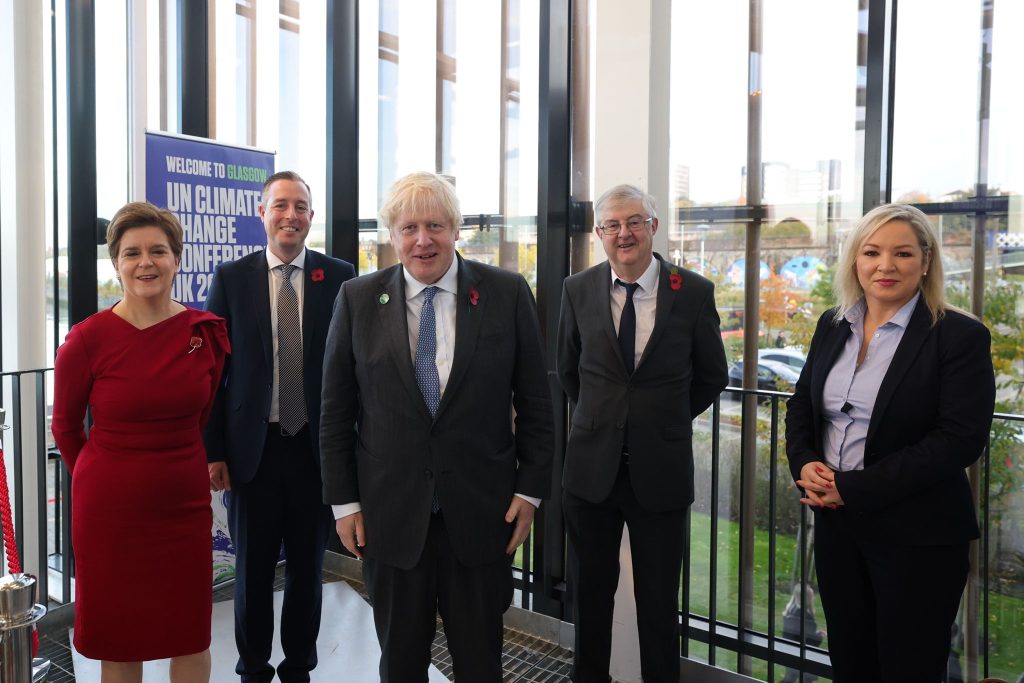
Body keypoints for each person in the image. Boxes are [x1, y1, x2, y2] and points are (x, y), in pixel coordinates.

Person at [320, 171, 554, 682]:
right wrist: (345, 504)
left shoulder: (506, 293)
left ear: (456, 229)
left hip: (481, 514)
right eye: (408, 228)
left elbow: (537, 402)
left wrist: (531, 491)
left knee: (479, 663)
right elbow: (335, 413)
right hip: (390, 517)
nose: (422, 240)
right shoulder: (358, 299)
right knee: (401, 664)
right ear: (392, 235)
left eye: (434, 226)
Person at [786, 203, 995, 681]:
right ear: (854, 261)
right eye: (872, 252)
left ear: (925, 261)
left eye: (902, 253)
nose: (885, 266)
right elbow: (802, 406)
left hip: (917, 537)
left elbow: (959, 440)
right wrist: (805, 462)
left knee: (908, 668)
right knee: (852, 662)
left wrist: (854, 488)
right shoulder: (832, 323)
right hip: (838, 528)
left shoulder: (958, 336)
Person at [556, 184, 728, 683]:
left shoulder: (693, 292)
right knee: (589, 598)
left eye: (634, 221)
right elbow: (569, 371)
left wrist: (663, 420)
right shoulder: (577, 289)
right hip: (591, 474)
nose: (623, 233)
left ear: (654, 226)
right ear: (599, 234)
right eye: (611, 224)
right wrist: (605, 419)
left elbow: (711, 376)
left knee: (658, 605)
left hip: (661, 471)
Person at [51, 202, 229, 682]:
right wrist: (101, 475)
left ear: (176, 258)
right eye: (132, 253)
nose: (145, 262)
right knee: (120, 638)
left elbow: (204, 412)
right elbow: (65, 427)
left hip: (183, 506)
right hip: (110, 513)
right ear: (116, 264)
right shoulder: (86, 341)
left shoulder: (205, 333)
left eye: (157, 251)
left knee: (190, 633)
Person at [203, 171, 356, 682]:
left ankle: (298, 668)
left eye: (301, 206)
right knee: (251, 572)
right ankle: (252, 669)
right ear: (262, 214)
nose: (291, 215)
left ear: (311, 217)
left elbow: (350, 369)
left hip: (315, 451)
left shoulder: (339, 276)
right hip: (254, 451)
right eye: (280, 205)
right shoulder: (232, 277)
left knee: (309, 571)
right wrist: (213, 451)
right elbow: (214, 374)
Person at [780, 584, 825, 683]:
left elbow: (797, 634)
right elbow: (811, 642)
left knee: (790, 678)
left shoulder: (791, 610)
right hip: (801, 654)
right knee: (806, 678)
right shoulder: (806, 616)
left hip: (789, 651)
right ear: (808, 599)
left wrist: (815, 633)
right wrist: (819, 636)